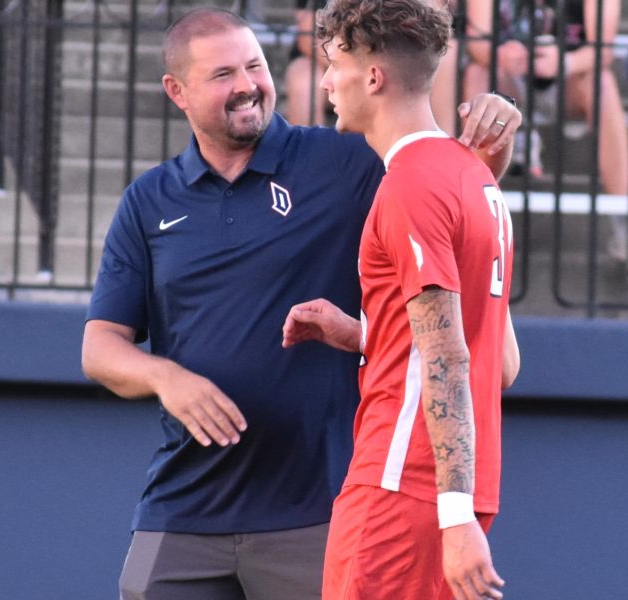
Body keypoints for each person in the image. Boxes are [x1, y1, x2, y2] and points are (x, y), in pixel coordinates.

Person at [80, 7, 521, 600]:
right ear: (176, 91)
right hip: (185, 503)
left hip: (325, 504)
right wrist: (166, 378)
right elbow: (99, 348)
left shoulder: (353, 157)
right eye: (223, 74)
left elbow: (444, 223)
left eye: (255, 66)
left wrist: (489, 136)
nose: (247, 85)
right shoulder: (148, 200)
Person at [282, 1, 520, 598]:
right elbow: (500, 361)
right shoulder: (477, 178)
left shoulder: (410, 183)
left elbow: (447, 357)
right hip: (456, 491)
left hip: (402, 485)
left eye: (334, 64)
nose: (326, 81)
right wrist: (365, 333)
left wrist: (453, 515)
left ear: (373, 77)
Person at [465, 0, 628, 279]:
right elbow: (477, 44)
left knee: (602, 83)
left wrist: (564, 62)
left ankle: (624, 227)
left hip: (569, 81)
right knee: (476, 74)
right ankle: (471, 225)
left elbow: (603, 51)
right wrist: (500, 56)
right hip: (506, 81)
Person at [284, 0, 462, 132]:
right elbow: (308, 36)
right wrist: (355, 65)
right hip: (338, 58)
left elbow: (434, 24)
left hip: (394, 58)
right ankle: (309, 158)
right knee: (302, 78)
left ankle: (444, 144)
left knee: (447, 54)